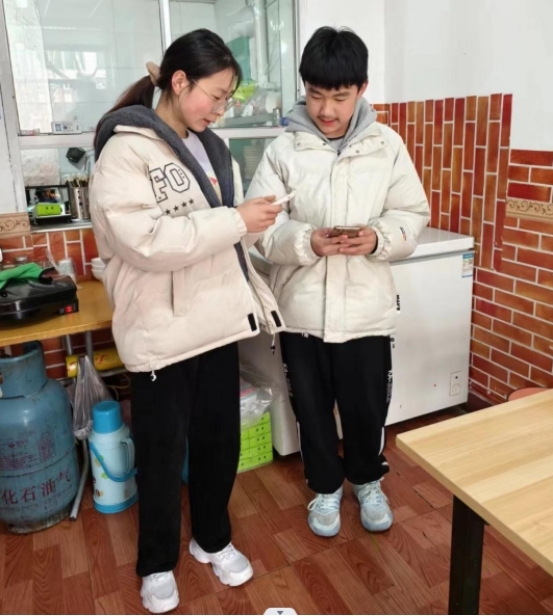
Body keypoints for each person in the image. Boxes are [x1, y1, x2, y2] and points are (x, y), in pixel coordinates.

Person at [90, 29, 283, 615]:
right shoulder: (125, 150)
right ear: (179, 82)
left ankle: (212, 539)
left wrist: (255, 222)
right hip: (161, 332)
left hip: (217, 321)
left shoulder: (212, 147)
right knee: (160, 451)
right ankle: (156, 563)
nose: (221, 109)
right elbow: (147, 241)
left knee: (219, 443)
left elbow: (222, 233)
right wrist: (236, 220)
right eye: (216, 96)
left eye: (227, 99)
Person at [247, 27, 430, 538]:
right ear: (304, 88)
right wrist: (306, 241)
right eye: (316, 94)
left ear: (362, 89)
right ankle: (325, 488)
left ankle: (368, 481)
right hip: (301, 313)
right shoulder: (283, 150)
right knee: (311, 410)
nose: (326, 109)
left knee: (366, 409)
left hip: (366, 312)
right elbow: (260, 229)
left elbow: (412, 214)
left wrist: (378, 238)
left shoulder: (386, 146)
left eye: (340, 96)